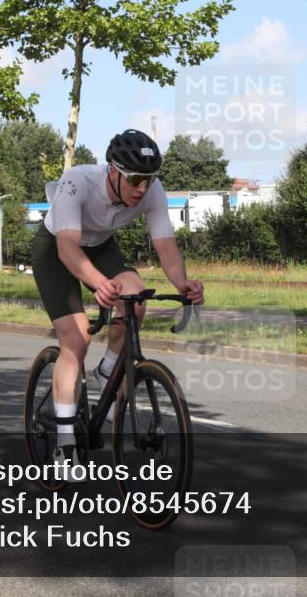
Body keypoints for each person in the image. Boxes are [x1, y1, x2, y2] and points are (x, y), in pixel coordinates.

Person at [31, 129, 204, 480]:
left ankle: (109, 369)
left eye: (148, 179)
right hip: (57, 248)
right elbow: (67, 248)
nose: (142, 188)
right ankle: (64, 445)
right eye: (135, 179)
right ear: (113, 171)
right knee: (77, 339)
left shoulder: (151, 191)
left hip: (101, 247)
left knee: (137, 299)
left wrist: (181, 282)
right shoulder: (76, 181)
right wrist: (98, 284)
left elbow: (166, 246)